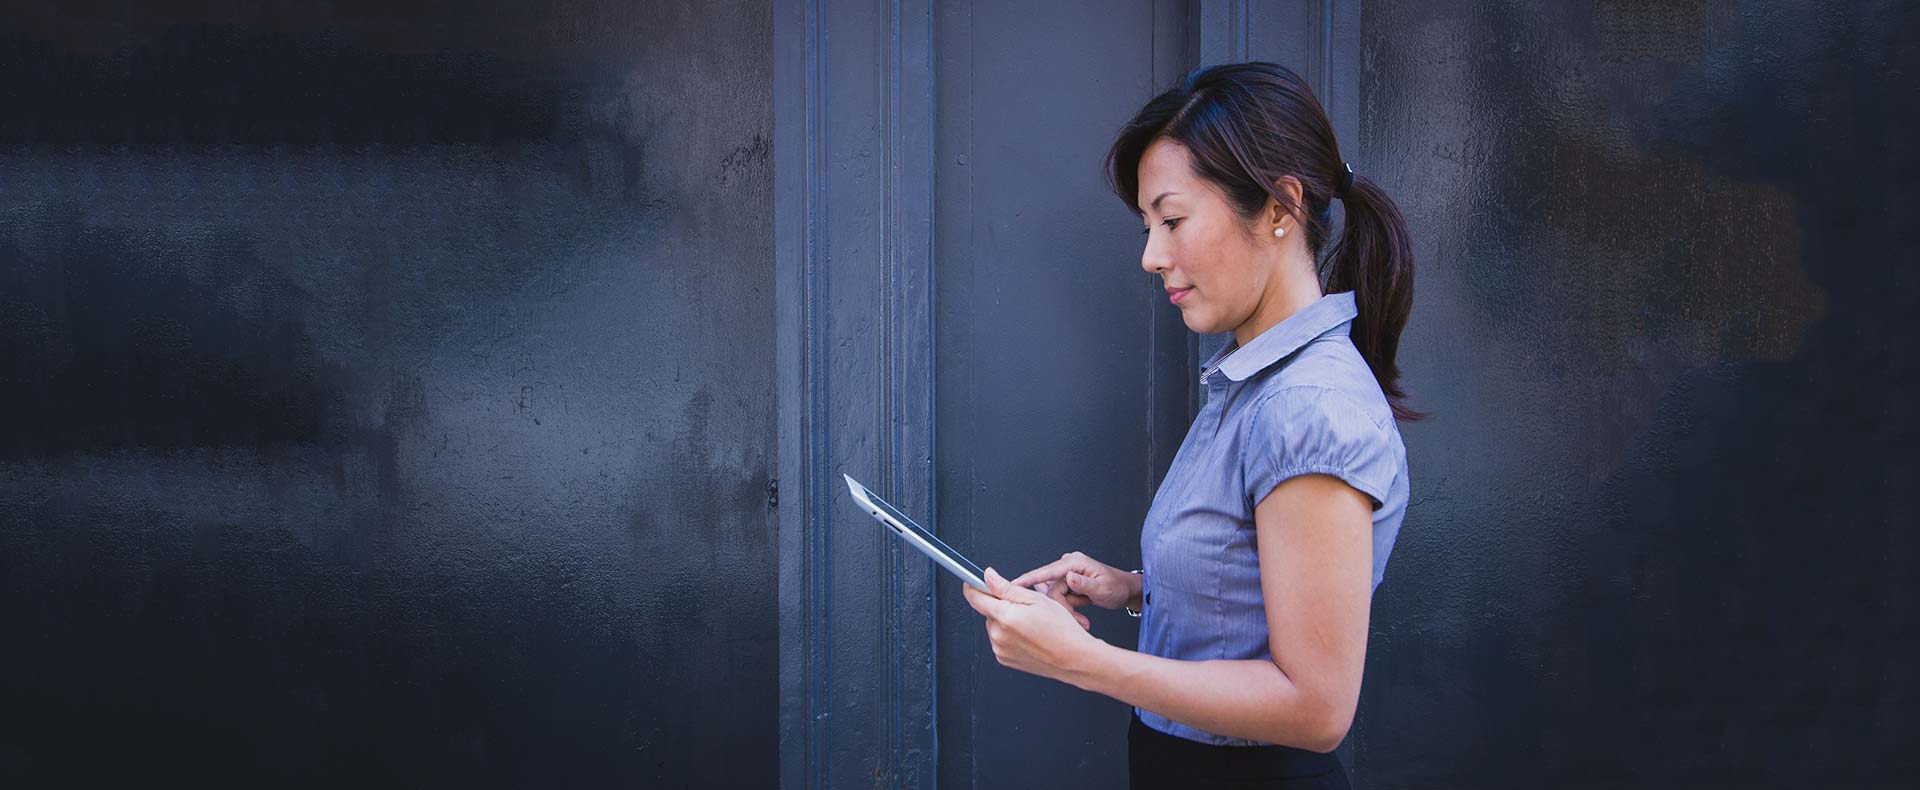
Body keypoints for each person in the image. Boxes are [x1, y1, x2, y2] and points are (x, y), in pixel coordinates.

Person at [961, 61, 1419, 789]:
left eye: (1171, 220)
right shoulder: (1255, 383)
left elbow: (1317, 706)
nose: (1151, 255)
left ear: (1279, 206)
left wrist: (1081, 662)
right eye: (1148, 226)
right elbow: (1257, 587)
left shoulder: (1306, 407)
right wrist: (1135, 587)